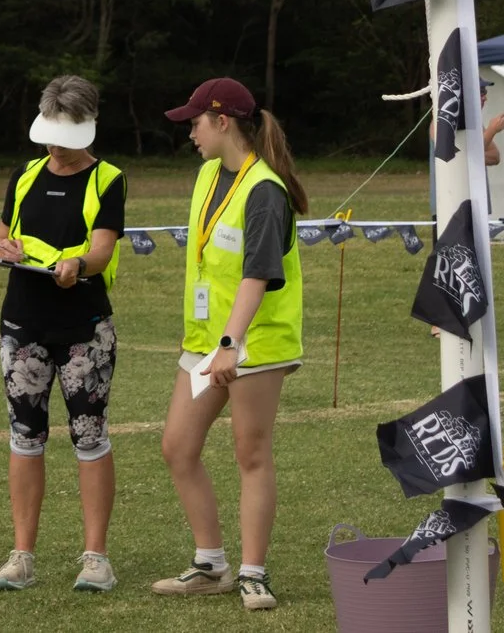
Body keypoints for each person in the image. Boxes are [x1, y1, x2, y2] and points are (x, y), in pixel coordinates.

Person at [154, 77, 305, 612]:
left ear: (222, 122)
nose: (190, 132)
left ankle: (253, 574)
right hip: (208, 341)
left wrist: (230, 343)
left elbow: (257, 275)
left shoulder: (265, 190)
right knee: (178, 445)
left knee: (251, 453)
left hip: (254, 343)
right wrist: (213, 343)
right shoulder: (205, 175)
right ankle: (210, 564)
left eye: (195, 122)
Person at [0, 75, 126, 595]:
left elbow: (103, 251)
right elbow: (3, 235)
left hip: (85, 329)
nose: (55, 149)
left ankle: (96, 559)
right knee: (25, 436)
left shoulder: (109, 179)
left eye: (65, 139)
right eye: (50, 136)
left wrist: (78, 264)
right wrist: (3, 248)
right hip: (23, 326)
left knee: (89, 437)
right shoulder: (24, 175)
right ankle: (21, 556)